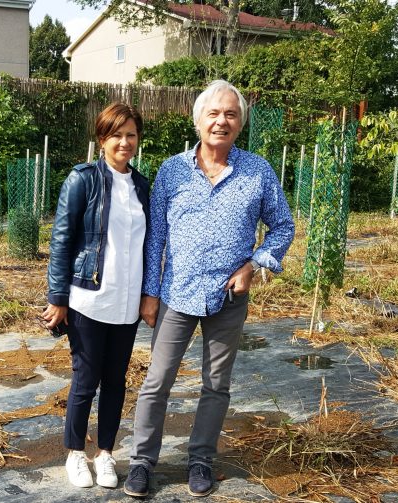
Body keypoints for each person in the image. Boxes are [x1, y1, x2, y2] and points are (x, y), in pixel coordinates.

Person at [123, 80, 295, 498]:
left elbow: (283, 227)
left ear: (240, 123)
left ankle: (200, 459)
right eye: (213, 114)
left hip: (228, 297)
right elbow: (156, 238)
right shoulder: (172, 170)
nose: (221, 121)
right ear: (198, 121)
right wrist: (150, 293)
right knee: (157, 381)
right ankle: (142, 462)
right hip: (176, 294)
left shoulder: (258, 171)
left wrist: (254, 265)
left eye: (230, 114)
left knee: (216, 384)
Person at [43, 102, 150, 489]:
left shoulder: (141, 186)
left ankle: (105, 453)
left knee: (117, 381)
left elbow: (148, 244)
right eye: (116, 135)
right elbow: (61, 240)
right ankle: (75, 453)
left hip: (127, 302)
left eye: (131, 135)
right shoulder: (83, 180)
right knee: (86, 379)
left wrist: (148, 295)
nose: (124, 142)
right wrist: (57, 297)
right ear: (102, 139)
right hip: (88, 298)